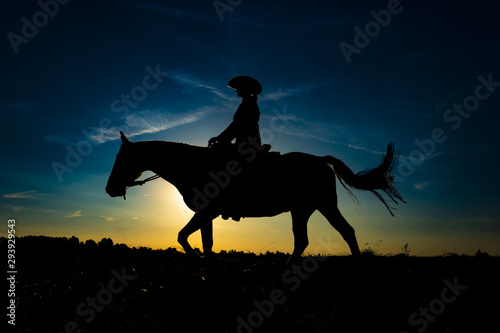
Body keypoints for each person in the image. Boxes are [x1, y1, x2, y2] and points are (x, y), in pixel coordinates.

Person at [208, 76, 270, 154]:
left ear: (245, 89)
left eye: (238, 88)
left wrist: (220, 138)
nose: (236, 90)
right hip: (246, 142)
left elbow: (237, 125)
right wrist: (221, 138)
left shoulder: (249, 104)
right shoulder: (248, 103)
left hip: (247, 144)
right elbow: (236, 126)